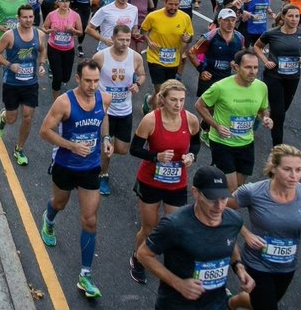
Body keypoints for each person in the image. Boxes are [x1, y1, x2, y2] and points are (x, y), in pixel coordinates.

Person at [36, 59, 113, 299]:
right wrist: (71, 145)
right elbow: (44, 131)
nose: (92, 85)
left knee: (90, 220)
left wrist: (107, 139)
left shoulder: (104, 98)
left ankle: (85, 275)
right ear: (78, 79)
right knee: (60, 203)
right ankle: (49, 218)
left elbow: (103, 119)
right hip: (65, 164)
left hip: (90, 167)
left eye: (96, 81)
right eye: (88, 81)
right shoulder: (64, 103)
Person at [135, 166, 255, 309]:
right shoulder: (175, 225)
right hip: (177, 305)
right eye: (211, 198)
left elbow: (229, 242)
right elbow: (143, 254)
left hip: (217, 304)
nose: (219, 206)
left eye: (223, 198)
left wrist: (239, 267)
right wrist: (178, 283)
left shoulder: (233, 220)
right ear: (196, 193)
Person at [228, 145, 301, 310]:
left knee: (265, 302)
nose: (294, 176)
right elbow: (223, 208)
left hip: (287, 266)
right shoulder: (253, 191)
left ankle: (233, 302)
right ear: (273, 168)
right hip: (256, 263)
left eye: (298, 170)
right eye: (287, 169)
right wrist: (245, 233)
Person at [129, 79, 202, 285]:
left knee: (176, 227)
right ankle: (138, 258)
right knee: (149, 227)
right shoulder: (151, 120)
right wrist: (155, 157)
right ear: (162, 99)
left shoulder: (190, 120)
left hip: (176, 183)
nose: (178, 105)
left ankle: (174, 270)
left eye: (181, 100)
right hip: (150, 181)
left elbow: (196, 143)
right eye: (173, 100)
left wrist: (191, 157)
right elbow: (135, 149)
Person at [195, 51, 272, 193]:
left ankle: (216, 204)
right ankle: (210, 206)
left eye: (255, 67)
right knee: (231, 187)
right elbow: (200, 105)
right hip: (222, 142)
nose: (252, 71)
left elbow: (263, 109)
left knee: (238, 189)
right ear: (236, 67)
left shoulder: (261, 87)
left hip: (246, 142)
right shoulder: (220, 87)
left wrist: (265, 117)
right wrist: (216, 126)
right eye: (248, 67)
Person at [90, 25, 145, 196]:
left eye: (128, 40)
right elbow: (89, 75)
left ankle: (99, 150)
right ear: (113, 38)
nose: (125, 43)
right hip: (105, 109)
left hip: (124, 109)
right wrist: (96, 91)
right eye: (121, 39)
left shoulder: (135, 57)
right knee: (107, 147)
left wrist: (138, 84)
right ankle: (102, 174)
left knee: (121, 149)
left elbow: (142, 75)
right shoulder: (100, 57)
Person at [0, 6, 47, 166]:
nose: (29, 20)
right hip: (12, 83)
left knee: (28, 116)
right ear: (18, 18)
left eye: (31, 17)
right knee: (11, 119)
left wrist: (42, 64)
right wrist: (10, 65)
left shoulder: (40, 34)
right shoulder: (9, 36)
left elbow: (43, 50)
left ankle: (19, 148)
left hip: (31, 83)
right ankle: (3, 117)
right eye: (25, 17)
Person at [253, 5, 301, 146]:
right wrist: (265, 61)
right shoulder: (272, 33)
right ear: (283, 16)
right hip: (273, 77)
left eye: (297, 16)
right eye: (291, 16)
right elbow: (257, 47)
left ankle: (259, 115)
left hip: (293, 78)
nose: (294, 19)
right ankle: (277, 147)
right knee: (279, 115)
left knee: (282, 110)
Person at [140, 0, 195, 99]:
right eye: (170, 4)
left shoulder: (185, 18)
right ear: (164, 2)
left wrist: (187, 39)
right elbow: (143, 30)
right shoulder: (153, 16)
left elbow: (190, 36)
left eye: (176, 4)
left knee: (167, 91)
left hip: (173, 60)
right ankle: (158, 115)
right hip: (155, 57)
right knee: (160, 90)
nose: (173, 7)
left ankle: (149, 100)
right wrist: (149, 41)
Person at [42, 0, 83, 97]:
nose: (65, 4)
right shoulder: (52, 15)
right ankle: (56, 101)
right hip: (54, 48)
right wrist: (50, 30)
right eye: (62, 1)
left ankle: (55, 72)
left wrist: (72, 30)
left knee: (66, 77)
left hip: (68, 50)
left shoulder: (75, 15)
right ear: (58, 3)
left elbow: (81, 32)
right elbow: (44, 28)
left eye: (67, 1)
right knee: (57, 77)